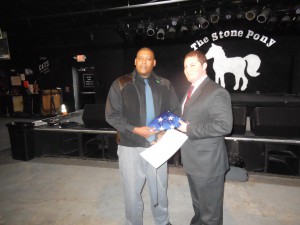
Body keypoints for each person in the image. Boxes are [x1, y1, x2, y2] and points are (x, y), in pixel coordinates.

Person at [105, 47, 180, 225]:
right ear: (135, 61)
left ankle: (162, 221)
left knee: (160, 188)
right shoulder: (121, 83)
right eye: (141, 58)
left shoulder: (165, 84)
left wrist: (163, 132)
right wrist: (135, 129)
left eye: (148, 59)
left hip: (157, 145)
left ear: (154, 63)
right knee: (131, 191)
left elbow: (175, 111)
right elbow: (112, 115)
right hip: (130, 145)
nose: (144, 62)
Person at [177, 50, 233, 225]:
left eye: (192, 65)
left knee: (210, 213)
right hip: (193, 160)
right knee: (199, 206)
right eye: (185, 66)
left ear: (204, 66)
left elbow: (224, 125)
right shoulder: (191, 90)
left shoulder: (216, 91)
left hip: (208, 164)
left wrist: (189, 128)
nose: (187, 70)